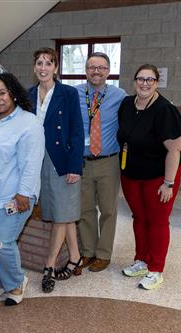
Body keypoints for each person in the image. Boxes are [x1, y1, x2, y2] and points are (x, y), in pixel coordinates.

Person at [0, 72, 45, 306]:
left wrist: (24, 193)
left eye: (2, 93)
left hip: (13, 195)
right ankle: (5, 280)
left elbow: (32, 162)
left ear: (13, 92)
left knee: (0, 241)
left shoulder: (28, 122)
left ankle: (15, 282)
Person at [117, 64, 181, 290]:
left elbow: (175, 149)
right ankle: (142, 260)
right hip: (131, 175)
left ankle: (156, 269)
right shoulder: (127, 104)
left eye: (150, 80)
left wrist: (169, 183)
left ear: (157, 83)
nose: (144, 83)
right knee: (139, 218)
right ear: (134, 81)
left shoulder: (165, 110)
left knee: (157, 222)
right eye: (141, 79)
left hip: (159, 178)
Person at [28, 48, 84, 293]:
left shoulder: (68, 93)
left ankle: (49, 265)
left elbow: (77, 131)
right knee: (64, 212)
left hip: (61, 159)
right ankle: (75, 257)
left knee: (61, 215)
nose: (43, 67)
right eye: (39, 63)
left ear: (56, 67)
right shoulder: (27, 94)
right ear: (34, 67)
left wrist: (74, 165)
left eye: (48, 63)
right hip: (36, 159)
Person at [75, 52, 127, 274]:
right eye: (91, 67)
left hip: (109, 161)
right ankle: (88, 251)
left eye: (101, 67)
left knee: (108, 209)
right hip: (82, 161)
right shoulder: (73, 93)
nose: (96, 71)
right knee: (85, 209)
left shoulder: (120, 95)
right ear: (86, 70)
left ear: (108, 71)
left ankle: (104, 254)